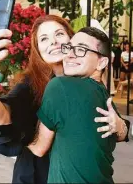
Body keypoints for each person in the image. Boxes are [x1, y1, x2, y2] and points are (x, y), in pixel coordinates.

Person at [0, 13, 129, 183]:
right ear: (38, 49)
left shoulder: (86, 80)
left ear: (72, 40)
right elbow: (3, 114)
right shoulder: (31, 84)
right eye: (44, 39)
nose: (53, 42)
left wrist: (120, 126)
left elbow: (118, 126)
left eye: (59, 34)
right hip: (36, 175)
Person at [27, 27, 127, 183]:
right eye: (69, 48)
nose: (69, 54)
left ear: (102, 62)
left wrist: (16, 142)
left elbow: (39, 148)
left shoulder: (60, 86)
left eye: (81, 49)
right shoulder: (102, 93)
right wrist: (121, 127)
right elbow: (123, 135)